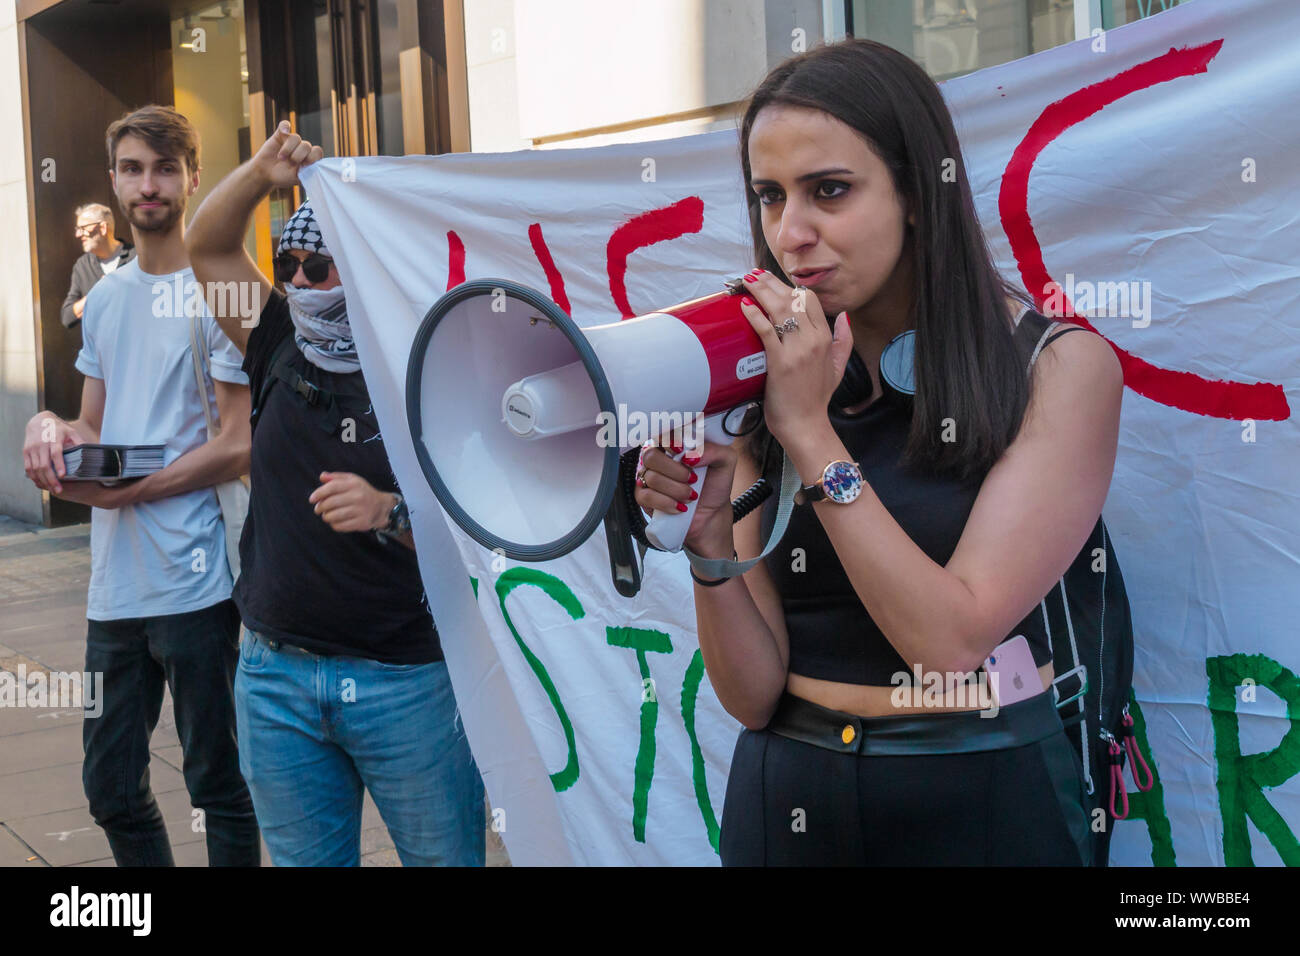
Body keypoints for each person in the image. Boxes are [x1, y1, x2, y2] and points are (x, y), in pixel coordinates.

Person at [635, 39, 1125, 866]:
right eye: (768, 196)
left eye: (830, 190)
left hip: (980, 787)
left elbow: (951, 641)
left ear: (917, 191)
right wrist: (710, 548)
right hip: (791, 786)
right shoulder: (766, 380)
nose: (791, 232)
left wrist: (810, 433)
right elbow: (751, 696)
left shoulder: (1060, 368)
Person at [185, 122, 485, 867]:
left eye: (321, 265)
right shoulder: (275, 337)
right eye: (289, 263)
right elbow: (208, 248)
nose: (300, 279)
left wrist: (389, 513)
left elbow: (486, 529)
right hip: (275, 677)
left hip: (407, 681)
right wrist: (261, 170)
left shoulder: (429, 366)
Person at [21, 105, 260, 866]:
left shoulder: (224, 291)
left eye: (163, 168)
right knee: (110, 787)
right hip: (114, 589)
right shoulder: (109, 297)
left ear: (192, 177)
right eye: (132, 168)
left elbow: (240, 442)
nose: (147, 185)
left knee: (220, 786)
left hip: (198, 586)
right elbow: (96, 429)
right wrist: (50, 426)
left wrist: (139, 487)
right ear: (116, 181)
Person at [62, 203, 135, 330]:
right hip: (99, 349)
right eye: (77, 229)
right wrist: (95, 294)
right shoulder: (82, 266)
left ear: (102, 228)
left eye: (83, 228)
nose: (78, 235)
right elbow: (67, 317)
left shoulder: (137, 258)